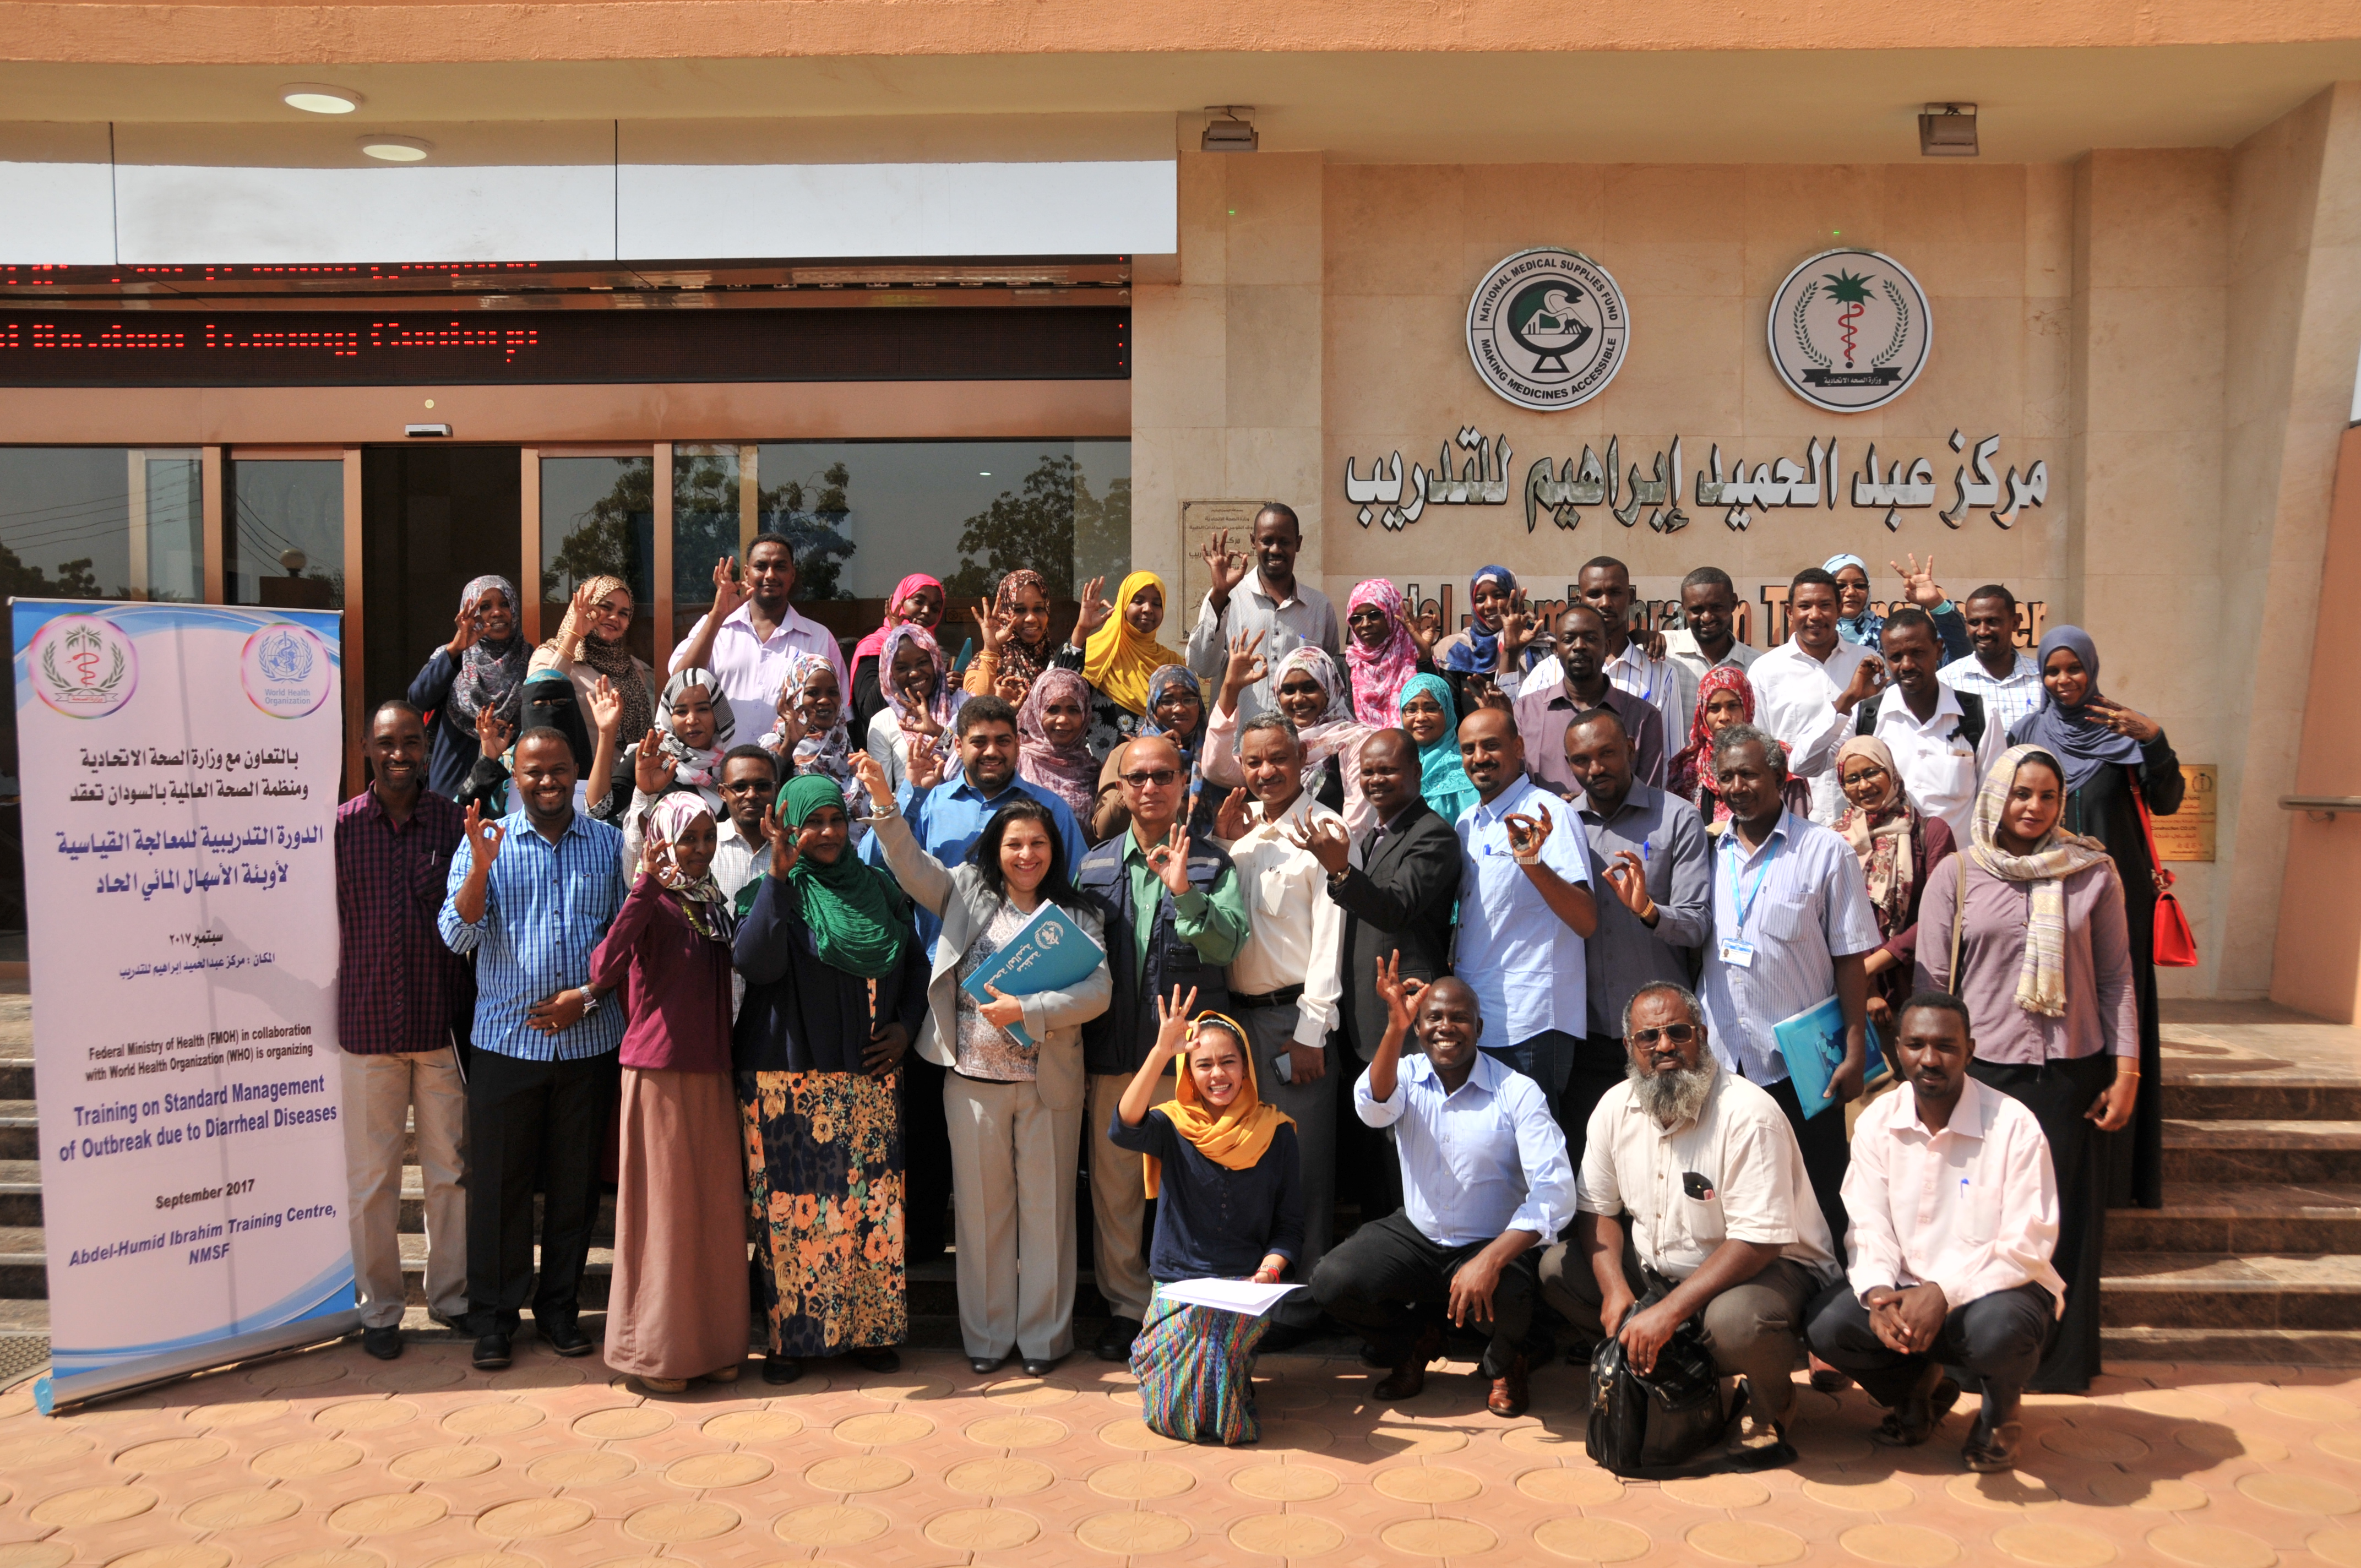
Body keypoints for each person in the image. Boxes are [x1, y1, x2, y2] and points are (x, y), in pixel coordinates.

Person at [859, 755, 1112, 1375]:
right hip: (971, 1081)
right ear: (995, 848)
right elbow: (912, 867)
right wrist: (888, 807)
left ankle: (1045, 1342)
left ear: (1054, 848)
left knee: (1048, 1216)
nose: (1027, 854)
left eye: (1038, 843)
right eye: (1014, 843)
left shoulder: (1077, 915)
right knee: (980, 1215)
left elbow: (1098, 991)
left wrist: (1031, 1007)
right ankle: (988, 1340)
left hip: (1048, 1084)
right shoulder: (965, 891)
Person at [1914, 745, 2139, 1393]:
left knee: (2056, 1219)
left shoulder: (2092, 872)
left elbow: (2116, 978)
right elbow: (1930, 987)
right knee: (1975, 1219)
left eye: (2046, 796)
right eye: (2021, 794)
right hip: (1979, 1074)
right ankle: (1970, 1356)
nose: (2034, 808)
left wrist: (2126, 1071)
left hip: (2067, 1074)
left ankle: (2056, 1363)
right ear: (1996, 796)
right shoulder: (1957, 874)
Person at [1541, 981, 1838, 1450]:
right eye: (1649, 1037)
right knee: (1559, 1268)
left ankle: (1773, 1399)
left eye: (1678, 1033)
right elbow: (1597, 1209)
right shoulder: (1613, 1108)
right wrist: (1616, 1291)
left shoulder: (1747, 1114)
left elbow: (1758, 1241)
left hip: (1768, 1272)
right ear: (1629, 1047)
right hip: (1663, 1271)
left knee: (1738, 1323)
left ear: (1701, 1035)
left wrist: (1668, 1312)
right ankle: (1681, 1373)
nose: (1664, 1046)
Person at [859, 694, 1086, 1264]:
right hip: (940, 990)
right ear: (958, 746)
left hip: (1027, 996)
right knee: (933, 1128)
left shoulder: (1048, 810)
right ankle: (926, 1245)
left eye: (1002, 740)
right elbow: (881, 862)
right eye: (978, 741)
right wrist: (905, 794)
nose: (990, 751)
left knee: (1025, 1139)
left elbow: (1077, 890)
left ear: (1019, 744)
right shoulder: (931, 802)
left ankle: (1025, 1261)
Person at [1808, 991, 2064, 1473]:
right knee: (1828, 1325)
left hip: (1990, 1297)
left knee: (2001, 1332)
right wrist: (1879, 1293)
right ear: (1898, 1048)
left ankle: (2000, 1413)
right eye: (1916, 1044)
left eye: (1945, 1046)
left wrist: (1944, 1291)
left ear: (1970, 1049)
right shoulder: (1877, 1122)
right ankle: (1915, 1391)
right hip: (1907, 1295)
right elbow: (1867, 1220)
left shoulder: (2014, 1125)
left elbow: (2029, 1241)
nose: (1929, 1059)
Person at [438, 727, 629, 1370]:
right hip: (504, 1048)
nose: (546, 783)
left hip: (588, 1045)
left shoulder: (608, 845)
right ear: (513, 776)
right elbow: (456, 937)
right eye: (533, 772)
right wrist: (481, 872)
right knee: (499, 1190)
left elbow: (625, 945)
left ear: (577, 773)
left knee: (574, 1191)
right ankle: (494, 1319)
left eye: (558, 771)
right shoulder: (486, 842)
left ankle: (559, 1312)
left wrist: (589, 997)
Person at [1313, 962, 1574, 1418]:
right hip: (1419, 1234)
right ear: (1418, 1026)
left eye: (1459, 1018)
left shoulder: (1517, 1091)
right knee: (1332, 1281)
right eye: (1433, 1018)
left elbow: (1555, 1192)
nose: (1446, 1028)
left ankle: (1505, 1363)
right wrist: (1394, 1028)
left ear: (1479, 1027)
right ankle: (1414, 1343)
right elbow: (1373, 1109)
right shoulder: (1407, 1072)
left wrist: (1489, 1260)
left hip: (1490, 1241)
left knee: (1513, 1298)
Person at [736, 773, 929, 1382]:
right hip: (787, 1079)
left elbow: (916, 965)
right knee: (794, 1215)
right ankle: (792, 1341)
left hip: (869, 1077)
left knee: (869, 1209)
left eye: (835, 821)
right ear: (788, 825)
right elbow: (755, 961)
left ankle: (867, 1332)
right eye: (811, 822)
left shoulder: (878, 888)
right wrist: (775, 873)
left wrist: (903, 1027)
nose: (825, 834)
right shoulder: (775, 893)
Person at [1074, 733, 1252, 1362]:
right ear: (1121, 788)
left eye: (1162, 775)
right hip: (1115, 1059)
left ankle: (1195, 1306)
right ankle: (1127, 1307)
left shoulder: (1213, 865)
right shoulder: (1092, 866)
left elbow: (1228, 947)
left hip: (1193, 1068)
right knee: (1116, 1192)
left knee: (1196, 1187)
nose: (1149, 787)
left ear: (1183, 784)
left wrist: (1184, 891)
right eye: (1137, 777)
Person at [2008, 625, 2182, 1211]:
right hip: (2043, 904)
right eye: (2052, 670)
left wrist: (2154, 740)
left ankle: (2122, 1175)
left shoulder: (2123, 731)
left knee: (2119, 1016)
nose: (2063, 680)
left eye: (2073, 669)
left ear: (2091, 668)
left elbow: (2167, 801)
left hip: (2117, 899)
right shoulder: (2026, 734)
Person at [1696, 723, 1881, 1253]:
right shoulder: (1709, 851)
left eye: (1749, 775)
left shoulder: (1827, 852)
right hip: (1725, 1064)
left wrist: (1852, 1049)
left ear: (1779, 777)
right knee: (1737, 1202)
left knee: (1821, 1199)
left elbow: (1850, 961)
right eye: (1726, 777)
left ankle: (1835, 1317)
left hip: (1802, 1069)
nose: (1737, 787)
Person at [588, 793, 749, 1393]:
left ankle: (712, 1345)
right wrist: (645, 887)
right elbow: (604, 966)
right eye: (690, 839)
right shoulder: (654, 901)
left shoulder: (710, 904)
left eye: (709, 838)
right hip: (658, 1076)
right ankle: (657, 1351)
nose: (702, 850)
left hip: (710, 1072)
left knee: (711, 1214)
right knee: (665, 1217)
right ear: (664, 840)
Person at [336, 701, 472, 1360]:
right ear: (365, 748)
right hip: (366, 1033)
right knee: (372, 1183)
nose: (399, 754)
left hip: (439, 1030)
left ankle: (451, 1298)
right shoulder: (338, 832)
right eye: (386, 743)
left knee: (450, 1174)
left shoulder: (452, 824)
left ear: (425, 748)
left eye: (411, 743)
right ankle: (381, 1310)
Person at [1208, 714, 1346, 1348]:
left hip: (1295, 1025)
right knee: (1250, 1165)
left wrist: (1313, 1028)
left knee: (1303, 1169)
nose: (1266, 772)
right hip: (1240, 1024)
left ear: (1302, 758)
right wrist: (1222, 845)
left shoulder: (1326, 830)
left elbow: (1330, 938)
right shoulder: (1243, 833)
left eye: (1277, 760)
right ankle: (1256, 1299)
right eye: (1254, 762)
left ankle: (1303, 1306)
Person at [1112, 998, 1304, 1444]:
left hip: (1246, 1283)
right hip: (1178, 1281)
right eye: (1203, 1065)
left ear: (1245, 1067)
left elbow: (1290, 1227)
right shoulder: (1171, 1124)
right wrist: (1161, 1051)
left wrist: (1269, 1271)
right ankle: (1227, 1390)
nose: (1217, 1075)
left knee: (1208, 1347)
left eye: (1228, 1062)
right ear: (1189, 1073)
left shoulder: (1276, 1134)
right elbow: (1122, 1128)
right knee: (1183, 1388)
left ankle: (1223, 1397)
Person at [1314, 728, 1460, 1219]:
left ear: (1417, 774)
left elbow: (1396, 908)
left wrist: (1340, 874)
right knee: (1375, 1162)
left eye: (1389, 770)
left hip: (1405, 1020)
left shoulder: (1434, 834)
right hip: (1363, 1021)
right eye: (1368, 771)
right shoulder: (1371, 835)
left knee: (1407, 1162)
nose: (1376, 779)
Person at [1562, 707, 1712, 1174]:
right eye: (1582, 759)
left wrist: (1649, 911)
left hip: (1660, 1041)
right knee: (1596, 1168)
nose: (1595, 769)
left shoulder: (1678, 819)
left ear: (1631, 749)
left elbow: (1696, 924)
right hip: (1585, 1033)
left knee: (1670, 1161)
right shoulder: (1564, 824)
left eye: (1607, 753)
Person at [1452, 707, 1598, 1139]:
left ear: (1518, 748)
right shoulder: (1467, 824)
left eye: (1491, 745)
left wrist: (1531, 862)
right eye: (1469, 749)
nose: (1479, 757)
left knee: (1536, 1162)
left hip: (1531, 1023)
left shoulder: (1547, 813)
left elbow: (1586, 919)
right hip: (1476, 1018)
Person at [1834, 736, 1956, 1035]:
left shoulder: (1930, 832)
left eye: (1873, 772)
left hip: (1918, 985)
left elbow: (1940, 916)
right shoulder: (1835, 839)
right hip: (1856, 995)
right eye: (1852, 779)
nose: (1864, 786)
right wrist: (1867, 987)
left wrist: (1872, 966)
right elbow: (1836, 919)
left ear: (1891, 771)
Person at [1748, 567, 1881, 825]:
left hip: (1862, 817)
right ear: (1790, 612)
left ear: (1840, 608)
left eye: (1825, 605)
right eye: (1805, 606)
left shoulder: (1866, 662)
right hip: (1793, 817)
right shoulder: (1765, 671)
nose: (1815, 615)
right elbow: (1760, 752)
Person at [1185, 503, 1341, 722]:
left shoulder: (1319, 607)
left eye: (1285, 542)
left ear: (1298, 544)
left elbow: (1331, 684)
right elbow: (1202, 667)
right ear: (1253, 542)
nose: (1275, 550)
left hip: (1299, 749)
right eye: (1267, 541)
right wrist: (1219, 596)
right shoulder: (1227, 597)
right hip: (1237, 748)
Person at [1205, 641, 1378, 835]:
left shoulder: (1357, 742)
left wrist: (1332, 860)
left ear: (1331, 688)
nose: (1298, 699)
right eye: (1288, 690)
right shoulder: (1275, 743)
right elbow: (1215, 768)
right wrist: (1230, 688)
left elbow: (1356, 828)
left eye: (1309, 688)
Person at [668, 535, 850, 712]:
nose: (770, 575)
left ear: (793, 574)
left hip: (795, 744)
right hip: (724, 744)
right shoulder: (715, 628)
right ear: (747, 574)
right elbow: (679, 684)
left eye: (780, 567)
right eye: (761, 567)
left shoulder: (819, 638)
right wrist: (718, 615)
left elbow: (839, 712)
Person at [1857, 606, 1994, 839]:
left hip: (1957, 869)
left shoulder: (1980, 716)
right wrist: (1849, 698)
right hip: (1888, 870)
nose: (1907, 665)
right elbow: (1804, 763)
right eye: (1896, 657)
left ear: (1939, 650)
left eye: (1918, 653)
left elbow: (1993, 803)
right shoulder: (1867, 717)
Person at [1512, 605, 1666, 794]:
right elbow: (1515, 788)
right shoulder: (1526, 711)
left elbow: (1648, 799)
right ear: (1556, 650)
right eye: (1569, 640)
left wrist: (1592, 807)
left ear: (1607, 646)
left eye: (1591, 639)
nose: (1579, 646)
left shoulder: (1644, 717)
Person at [534, 574, 658, 808]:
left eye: (624, 613)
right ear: (585, 608)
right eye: (605, 607)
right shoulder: (549, 654)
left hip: (627, 788)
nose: (614, 618)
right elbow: (541, 696)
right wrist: (575, 635)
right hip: (575, 788)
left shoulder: (632, 667)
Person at [410, 574, 529, 802]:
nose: (497, 612)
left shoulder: (532, 660)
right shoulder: (452, 656)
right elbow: (417, 700)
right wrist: (456, 649)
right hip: (452, 782)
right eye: (485, 607)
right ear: (472, 614)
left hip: (508, 790)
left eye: (505, 604)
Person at [453, 667, 625, 824]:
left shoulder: (595, 762)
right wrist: (488, 760)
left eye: (561, 705)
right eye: (540, 706)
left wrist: (607, 734)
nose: (551, 713)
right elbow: (461, 813)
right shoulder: (506, 762)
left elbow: (603, 813)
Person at [1666, 665, 1811, 831]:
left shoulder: (1777, 758)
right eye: (1714, 708)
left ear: (1747, 706)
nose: (1724, 717)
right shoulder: (1687, 767)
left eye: (1733, 706)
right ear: (1703, 713)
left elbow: (1799, 829)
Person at [1580, 556, 1691, 753]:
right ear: (1581, 600)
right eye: (1595, 594)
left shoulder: (1661, 675)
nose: (1605, 603)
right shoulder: (1549, 672)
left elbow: (1670, 757)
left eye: (1615, 593)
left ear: (1631, 597)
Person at [1074, 569, 1190, 753]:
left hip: (1155, 773)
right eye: (1138, 601)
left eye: (1157, 603)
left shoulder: (1172, 664)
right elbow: (1056, 690)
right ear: (1124, 605)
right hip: (1098, 773)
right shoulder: (1097, 650)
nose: (1148, 609)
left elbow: (1188, 723)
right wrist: (1081, 630)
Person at [623, 665, 738, 818]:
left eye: (703, 709)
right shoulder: (649, 761)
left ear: (717, 713)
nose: (692, 720)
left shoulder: (733, 770)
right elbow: (598, 810)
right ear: (669, 717)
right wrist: (606, 733)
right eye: (681, 712)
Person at [866, 621, 963, 797]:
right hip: (909, 819)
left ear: (935, 661)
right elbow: (883, 795)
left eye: (922, 662)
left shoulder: (963, 706)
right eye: (902, 668)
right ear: (890, 673)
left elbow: (977, 766)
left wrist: (939, 733)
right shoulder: (882, 723)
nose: (915, 673)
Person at [1939, 583, 2045, 740]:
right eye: (1974, 623)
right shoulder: (1946, 681)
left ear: (2015, 623)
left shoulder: (2042, 680)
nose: (1983, 631)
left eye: (1992, 621)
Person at [1664, 567, 1759, 736]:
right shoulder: (1663, 653)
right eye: (1697, 609)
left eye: (1716, 607)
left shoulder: (1757, 666)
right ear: (1684, 608)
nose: (1707, 617)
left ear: (1733, 604)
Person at [1433, 564, 1544, 709]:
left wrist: (1512, 648)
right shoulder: (1453, 650)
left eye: (1498, 596)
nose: (1490, 605)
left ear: (1515, 598)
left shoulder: (1543, 647)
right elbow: (1446, 713)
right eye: (1480, 599)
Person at [850, 572, 946, 739]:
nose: (926, 611)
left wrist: (946, 688)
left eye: (935, 608)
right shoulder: (873, 646)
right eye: (918, 601)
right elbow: (870, 711)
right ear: (899, 601)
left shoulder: (935, 653)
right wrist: (896, 643)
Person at [1825, 552, 1970, 661]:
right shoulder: (1812, 639)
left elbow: (1961, 658)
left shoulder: (1891, 633)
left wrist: (1936, 604)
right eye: (1841, 586)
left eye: (1860, 585)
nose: (1851, 592)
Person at [763, 649, 858, 802]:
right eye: (813, 693)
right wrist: (789, 745)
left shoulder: (848, 749)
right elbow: (764, 796)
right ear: (795, 697)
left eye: (833, 692)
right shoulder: (773, 745)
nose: (824, 700)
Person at [1015, 667, 1103, 828]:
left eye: (1073, 710)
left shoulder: (1094, 771)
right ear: (1037, 711)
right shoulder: (1017, 762)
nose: (1063, 719)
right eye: (1053, 710)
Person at [1399, 673, 1479, 825]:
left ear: (1448, 713)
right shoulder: (1396, 767)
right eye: (1411, 710)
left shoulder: (1468, 767)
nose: (1421, 717)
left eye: (1431, 708)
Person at [1345, 576, 1427, 722]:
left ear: (1392, 614)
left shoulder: (1416, 660)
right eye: (1357, 618)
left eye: (1375, 615)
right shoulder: (1344, 667)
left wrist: (1425, 659)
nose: (1365, 624)